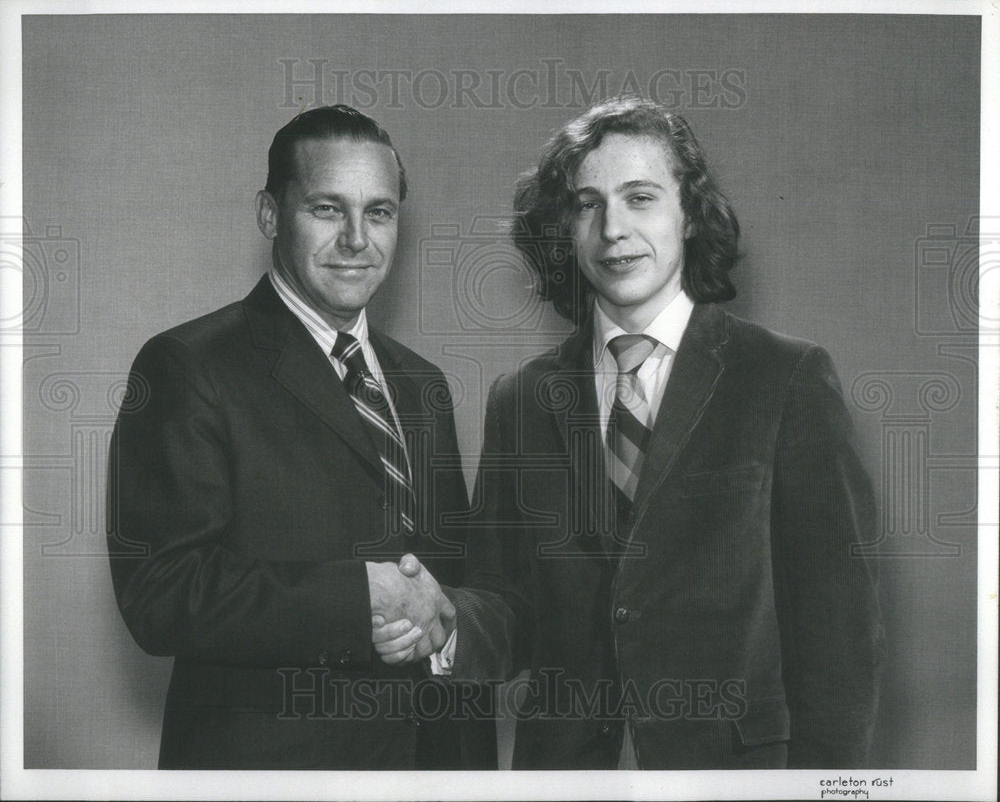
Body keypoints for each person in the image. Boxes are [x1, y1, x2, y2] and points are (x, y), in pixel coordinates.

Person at [374, 97, 886, 769]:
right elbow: (507, 604)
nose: (614, 229)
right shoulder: (522, 400)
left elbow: (838, 638)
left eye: (640, 197)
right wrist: (447, 622)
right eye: (588, 204)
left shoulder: (785, 378)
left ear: (690, 214)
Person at [107, 105, 495, 769]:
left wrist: (453, 613)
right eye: (326, 208)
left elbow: (455, 575)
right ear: (269, 216)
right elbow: (161, 593)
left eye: (378, 212)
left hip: (437, 764)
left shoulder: (421, 385)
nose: (356, 238)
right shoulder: (188, 366)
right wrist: (354, 599)